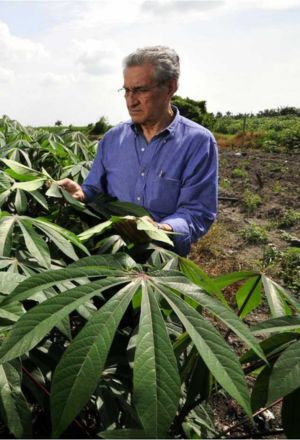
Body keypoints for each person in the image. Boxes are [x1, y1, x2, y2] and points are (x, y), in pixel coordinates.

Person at [58, 46, 218, 256]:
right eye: (126, 90)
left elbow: (197, 212)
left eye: (141, 90)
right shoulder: (112, 139)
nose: (130, 101)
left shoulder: (197, 142)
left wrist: (161, 229)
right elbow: (94, 190)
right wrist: (80, 193)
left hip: (163, 259)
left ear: (170, 87)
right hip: (111, 255)